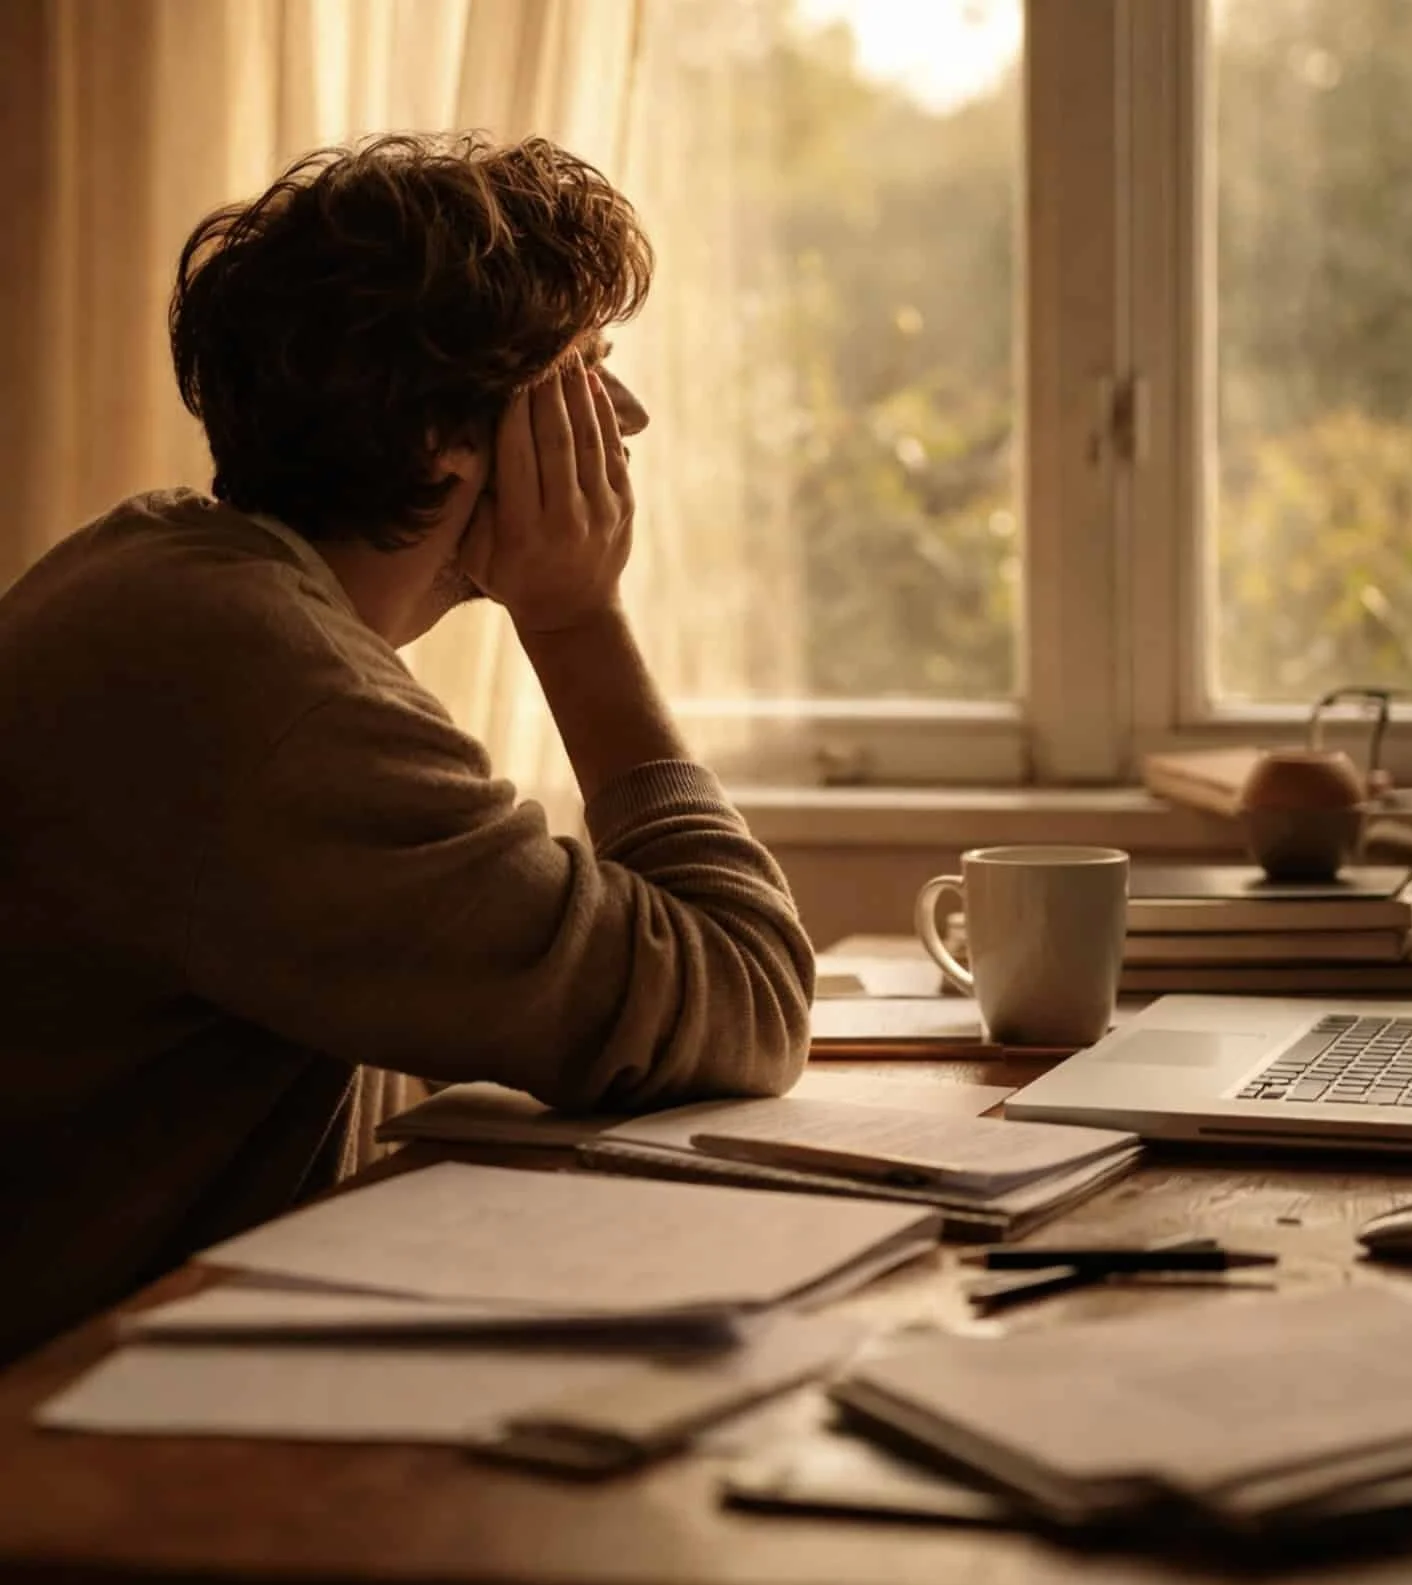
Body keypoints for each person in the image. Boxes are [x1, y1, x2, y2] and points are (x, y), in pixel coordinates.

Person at [0, 132, 813, 1363]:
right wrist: (576, 618)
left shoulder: (179, 577)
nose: (628, 418)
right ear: (449, 431)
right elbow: (749, 998)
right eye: (586, 373)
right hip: (71, 1433)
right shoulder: (255, 681)